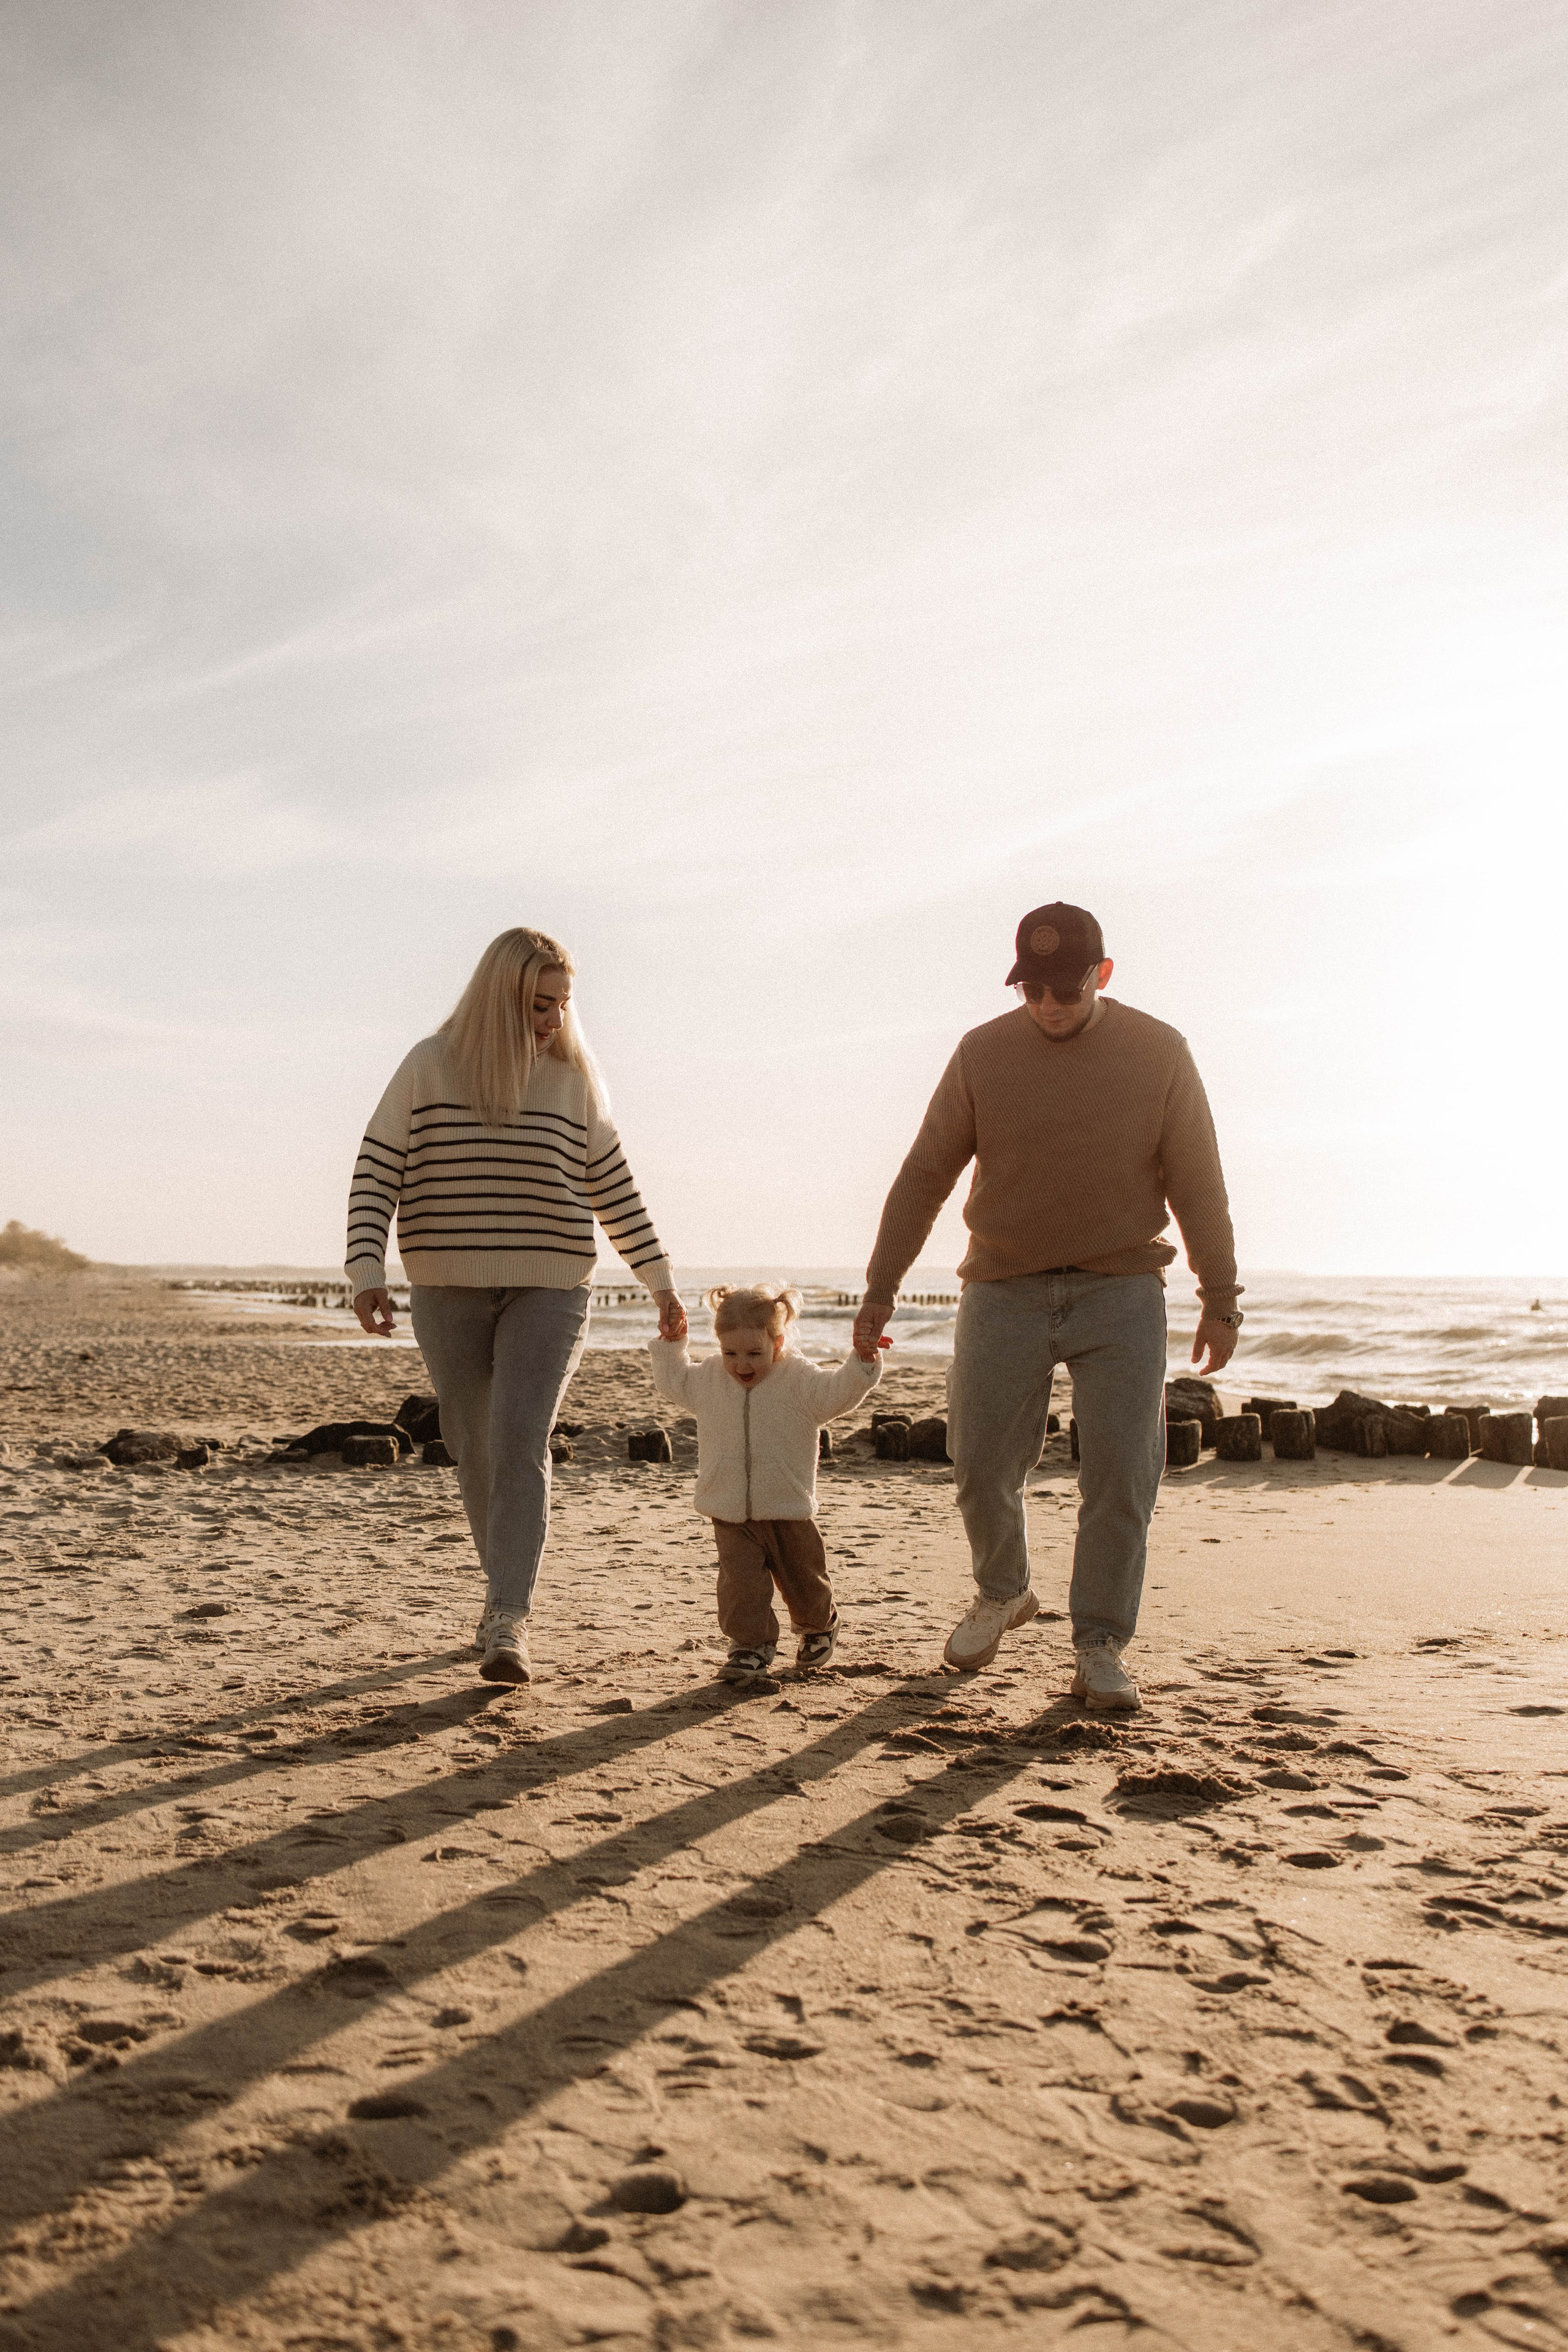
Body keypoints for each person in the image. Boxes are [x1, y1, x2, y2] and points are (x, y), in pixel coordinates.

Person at [853, 902, 1240, 1713]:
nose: (1049, 1005)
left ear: (1103, 975)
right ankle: (1003, 1591)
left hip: (1120, 1290)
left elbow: (1198, 1180)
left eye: (1066, 989)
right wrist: (881, 1288)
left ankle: (1099, 1643)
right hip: (1004, 1287)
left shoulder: (1159, 1051)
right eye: (1032, 990)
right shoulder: (981, 1053)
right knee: (979, 1461)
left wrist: (1220, 1297)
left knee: (1123, 1476)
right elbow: (925, 1174)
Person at [345, 927, 685, 1684]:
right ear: (499, 999)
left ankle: (508, 1618)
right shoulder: (429, 1065)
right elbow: (376, 1170)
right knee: (474, 1447)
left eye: (564, 1004)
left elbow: (614, 1188)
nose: (555, 1020)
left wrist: (659, 1281)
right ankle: (501, 1593)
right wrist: (366, 1268)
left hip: (551, 1284)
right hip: (446, 1285)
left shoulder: (573, 1081)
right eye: (539, 1004)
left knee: (520, 1440)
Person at [650, 1284, 883, 1681]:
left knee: (802, 1578)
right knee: (740, 1586)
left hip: (786, 1505)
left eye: (754, 1354)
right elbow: (674, 1382)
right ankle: (750, 1645)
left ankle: (819, 1625)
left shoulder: (799, 1378)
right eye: (731, 1353)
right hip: (728, 1507)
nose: (741, 1364)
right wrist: (672, 1345)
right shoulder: (709, 1379)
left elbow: (838, 1393)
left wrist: (862, 1360)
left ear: (777, 1342)